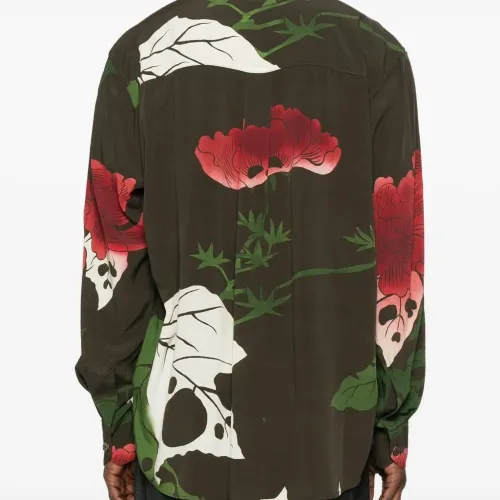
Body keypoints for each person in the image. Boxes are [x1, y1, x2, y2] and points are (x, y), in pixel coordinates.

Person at [76, 1, 425, 499]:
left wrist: (119, 426)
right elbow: (400, 258)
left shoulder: (140, 56)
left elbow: (112, 257)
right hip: (328, 450)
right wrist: (391, 430)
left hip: (182, 446)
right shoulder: (376, 56)